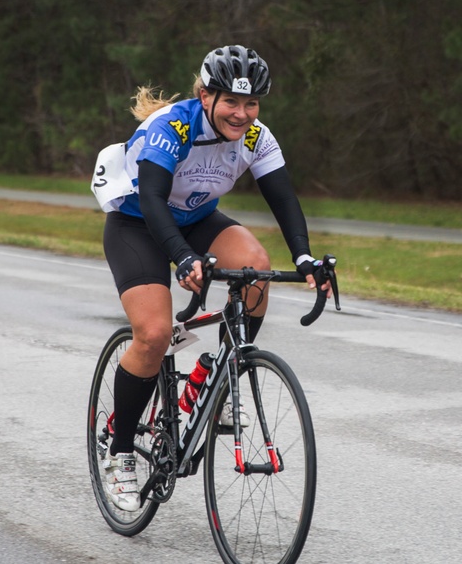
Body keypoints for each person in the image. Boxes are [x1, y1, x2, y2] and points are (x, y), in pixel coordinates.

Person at [97, 45, 331, 512]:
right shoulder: (173, 127)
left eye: (252, 104)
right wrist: (182, 258)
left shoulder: (256, 137)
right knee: (155, 334)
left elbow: (283, 198)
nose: (242, 114)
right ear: (205, 96)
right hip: (138, 221)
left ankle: (220, 376)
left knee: (256, 269)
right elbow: (153, 198)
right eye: (231, 102)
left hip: (196, 218)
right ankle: (120, 451)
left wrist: (305, 258)